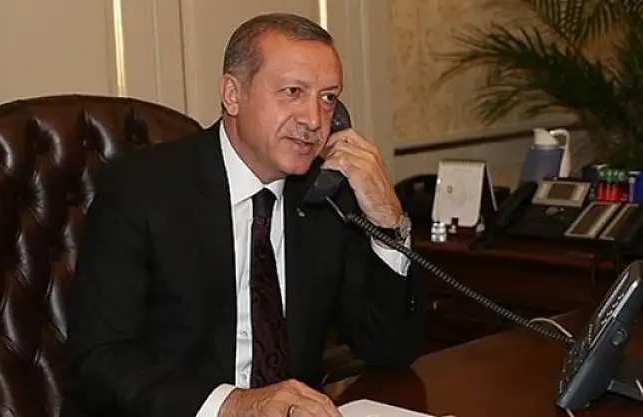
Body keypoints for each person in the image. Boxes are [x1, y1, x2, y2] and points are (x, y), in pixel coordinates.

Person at [60, 12, 424, 417]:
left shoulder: (327, 196)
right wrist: (232, 404)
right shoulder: (141, 190)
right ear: (232, 94)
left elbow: (388, 350)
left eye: (328, 98)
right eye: (293, 92)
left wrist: (388, 223)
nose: (314, 120)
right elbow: (98, 362)